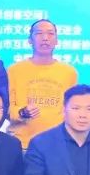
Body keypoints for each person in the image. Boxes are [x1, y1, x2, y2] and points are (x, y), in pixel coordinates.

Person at [7, 19, 78, 150]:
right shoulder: (14, 71)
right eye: (39, 33)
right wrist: (23, 112)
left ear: (57, 40)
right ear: (30, 40)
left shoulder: (69, 72)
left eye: (50, 34)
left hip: (57, 145)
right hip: (22, 144)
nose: (45, 38)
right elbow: (5, 109)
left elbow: (73, 109)